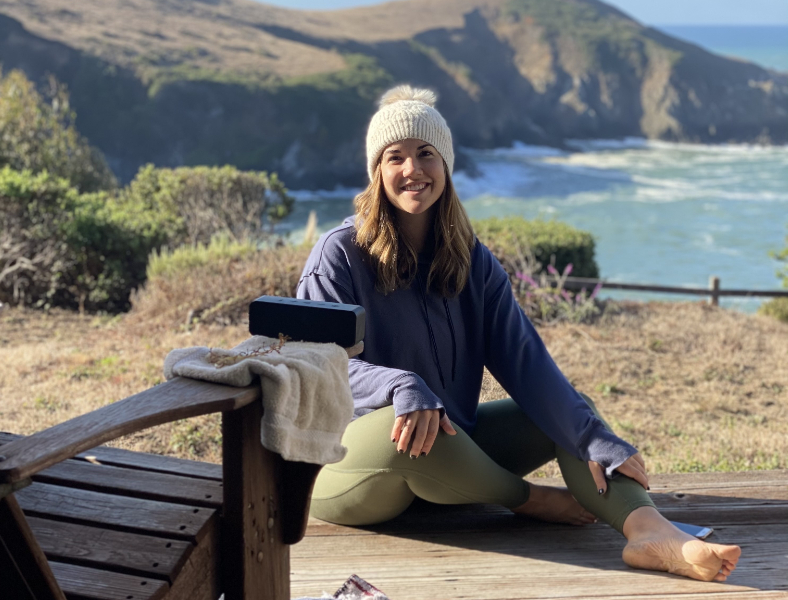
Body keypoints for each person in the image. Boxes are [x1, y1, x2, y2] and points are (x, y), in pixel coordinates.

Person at [296, 85, 741, 582]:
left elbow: (524, 362)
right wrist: (397, 385)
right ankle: (527, 500)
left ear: (445, 164)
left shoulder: (472, 261)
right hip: (352, 469)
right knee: (405, 429)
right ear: (377, 171)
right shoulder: (339, 255)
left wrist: (594, 437)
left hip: (450, 457)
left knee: (576, 416)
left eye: (426, 154)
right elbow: (318, 366)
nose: (412, 170)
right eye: (394, 157)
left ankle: (652, 532)